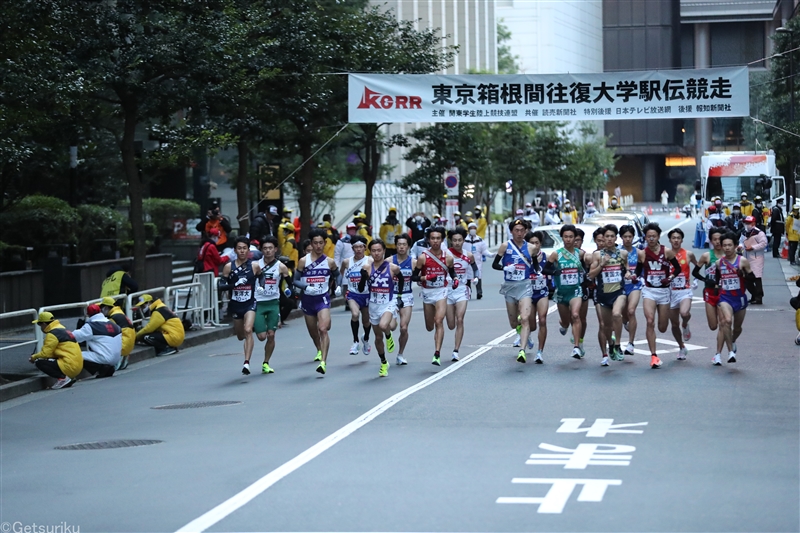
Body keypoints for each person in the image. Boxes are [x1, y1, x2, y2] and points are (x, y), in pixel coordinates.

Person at [634, 223, 682, 369]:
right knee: (649, 321)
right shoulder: (642, 253)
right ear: (645, 238)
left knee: (662, 327)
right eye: (648, 236)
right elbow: (638, 270)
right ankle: (653, 356)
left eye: (654, 236)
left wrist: (671, 277)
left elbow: (678, 268)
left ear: (659, 236)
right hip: (649, 291)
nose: (651, 238)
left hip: (664, 291)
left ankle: (658, 347)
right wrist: (633, 276)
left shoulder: (667, 252)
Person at [493, 219, 538, 363]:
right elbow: (495, 264)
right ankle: (520, 331)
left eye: (522, 230)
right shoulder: (505, 246)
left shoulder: (531, 248)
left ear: (526, 232)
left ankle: (522, 350)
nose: (519, 233)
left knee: (525, 318)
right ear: (511, 231)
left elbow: (535, 267)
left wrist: (539, 273)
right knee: (514, 322)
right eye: (516, 230)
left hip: (524, 286)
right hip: (510, 287)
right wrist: (505, 268)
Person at [294, 229, 339, 374]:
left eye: (321, 243)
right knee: (313, 331)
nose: (318, 246)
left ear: (325, 243)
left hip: (322, 299)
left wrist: (338, 287)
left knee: (323, 329)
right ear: (311, 244)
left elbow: (338, 275)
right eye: (315, 243)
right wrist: (306, 286)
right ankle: (319, 349)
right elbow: (294, 281)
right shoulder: (303, 261)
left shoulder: (330, 262)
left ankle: (323, 362)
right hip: (307, 300)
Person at [358, 239, 404, 377]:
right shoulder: (366, 267)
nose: (376, 253)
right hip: (374, 304)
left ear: (384, 251)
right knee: (378, 338)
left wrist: (399, 296)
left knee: (384, 326)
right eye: (374, 251)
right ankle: (384, 362)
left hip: (388, 302)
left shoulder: (392, 267)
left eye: (379, 250)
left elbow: (401, 279)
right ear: (370, 252)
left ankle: (389, 336)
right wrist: (363, 278)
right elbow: (361, 289)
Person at [412, 226, 456, 366]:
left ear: (442, 240)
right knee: (430, 326)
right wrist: (425, 277)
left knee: (439, 321)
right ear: (429, 240)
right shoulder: (423, 257)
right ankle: (436, 347)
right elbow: (414, 277)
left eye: (438, 238)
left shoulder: (448, 258)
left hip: (441, 291)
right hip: (427, 293)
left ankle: (437, 353)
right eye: (433, 238)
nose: (435, 241)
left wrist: (455, 280)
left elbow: (452, 273)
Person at [221, 237, 262, 375]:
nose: (242, 251)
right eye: (239, 248)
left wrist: (261, 286)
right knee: (240, 335)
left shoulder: (254, 266)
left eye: (245, 248)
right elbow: (221, 286)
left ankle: (246, 363)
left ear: (248, 250)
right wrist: (235, 285)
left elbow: (261, 276)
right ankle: (246, 344)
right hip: (236, 304)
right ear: (235, 250)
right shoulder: (229, 267)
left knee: (248, 329)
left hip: (250, 303)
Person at [588, 225, 628, 366]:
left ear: (616, 238)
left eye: (612, 236)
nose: (610, 239)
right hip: (603, 294)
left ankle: (617, 344)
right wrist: (601, 265)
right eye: (607, 236)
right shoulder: (597, 255)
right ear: (603, 239)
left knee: (617, 315)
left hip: (619, 291)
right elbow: (591, 275)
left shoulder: (623, 254)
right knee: (605, 325)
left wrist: (628, 273)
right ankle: (610, 345)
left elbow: (627, 269)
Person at [713, 232, 754, 365]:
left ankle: (733, 340)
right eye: (724, 245)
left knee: (737, 328)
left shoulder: (742, 261)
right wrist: (715, 287)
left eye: (730, 245)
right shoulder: (719, 263)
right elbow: (717, 278)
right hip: (725, 298)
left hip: (740, 298)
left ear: (735, 246)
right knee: (726, 321)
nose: (727, 248)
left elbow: (752, 279)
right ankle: (729, 352)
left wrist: (742, 274)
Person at [544, 224, 585, 359]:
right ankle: (564, 324)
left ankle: (576, 347)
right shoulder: (556, 254)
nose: (568, 239)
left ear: (575, 238)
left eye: (571, 237)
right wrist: (555, 271)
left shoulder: (580, 254)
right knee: (566, 321)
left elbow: (586, 270)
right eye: (566, 237)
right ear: (562, 238)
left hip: (575, 291)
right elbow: (545, 270)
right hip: (562, 292)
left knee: (575, 315)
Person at [252, 237, 291, 374]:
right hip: (258, 303)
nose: (268, 251)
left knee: (271, 335)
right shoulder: (255, 265)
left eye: (270, 248)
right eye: (265, 248)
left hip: (274, 302)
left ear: (275, 249)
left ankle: (266, 362)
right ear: (261, 250)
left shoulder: (281, 266)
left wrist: (289, 290)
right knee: (262, 336)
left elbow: (289, 283)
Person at [446, 227, 479, 362]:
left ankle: (456, 350)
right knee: (451, 324)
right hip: (447, 290)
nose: (457, 243)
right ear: (451, 241)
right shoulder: (445, 254)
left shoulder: (468, 255)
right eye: (454, 240)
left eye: (460, 240)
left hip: (461, 290)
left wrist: (476, 278)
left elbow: (475, 268)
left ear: (463, 240)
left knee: (460, 319)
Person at [30, 311, 83, 389]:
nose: (40, 327)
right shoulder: (63, 329)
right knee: (49, 359)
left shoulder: (52, 334)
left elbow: (45, 354)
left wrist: (33, 357)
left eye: (39, 324)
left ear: (44, 324)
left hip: (69, 366)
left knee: (40, 362)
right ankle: (68, 378)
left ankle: (62, 378)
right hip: (77, 366)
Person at [667, 228, 697, 361]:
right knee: (674, 324)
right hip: (669, 291)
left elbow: (698, 265)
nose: (676, 240)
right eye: (673, 238)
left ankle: (685, 324)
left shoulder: (688, 254)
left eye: (678, 238)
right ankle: (681, 347)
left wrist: (696, 279)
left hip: (685, 290)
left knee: (684, 313)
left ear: (682, 240)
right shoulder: (666, 254)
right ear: (670, 240)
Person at [341, 237, 372, 356]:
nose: (358, 250)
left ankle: (366, 339)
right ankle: (355, 341)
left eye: (361, 247)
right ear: (352, 248)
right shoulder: (347, 262)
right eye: (356, 247)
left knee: (366, 321)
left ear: (365, 248)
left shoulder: (370, 260)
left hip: (367, 294)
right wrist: (339, 285)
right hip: (353, 293)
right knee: (355, 314)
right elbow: (341, 273)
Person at [72, 304, 122, 378]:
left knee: (75, 356)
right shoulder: (113, 324)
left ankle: (101, 368)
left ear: (87, 314)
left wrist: (65, 333)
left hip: (105, 357)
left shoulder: (91, 326)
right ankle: (107, 368)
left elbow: (75, 337)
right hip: (117, 358)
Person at [693, 226, 726, 334]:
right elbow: (695, 272)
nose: (717, 242)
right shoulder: (706, 256)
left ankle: (725, 347)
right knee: (713, 326)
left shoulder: (728, 255)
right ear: (711, 241)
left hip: (724, 292)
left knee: (723, 322)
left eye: (719, 239)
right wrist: (705, 280)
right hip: (710, 291)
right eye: (714, 239)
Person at [526, 231, 550, 363]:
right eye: (532, 243)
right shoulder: (524, 257)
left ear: (540, 244)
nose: (534, 245)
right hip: (528, 294)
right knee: (532, 325)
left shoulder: (546, 257)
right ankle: (527, 333)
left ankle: (540, 352)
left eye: (537, 243)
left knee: (542, 320)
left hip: (542, 293)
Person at [620, 225, 643, 356]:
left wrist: (639, 277)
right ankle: (624, 321)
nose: (627, 239)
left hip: (635, 285)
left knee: (631, 310)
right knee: (623, 313)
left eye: (630, 237)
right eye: (625, 237)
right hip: (621, 285)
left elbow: (643, 268)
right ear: (621, 237)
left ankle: (631, 344)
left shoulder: (639, 252)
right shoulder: (617, 251)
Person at [392, 235, 414, 365]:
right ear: (395, 246)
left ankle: (400, 354)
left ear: (408, 246)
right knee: (391, 326)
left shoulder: (413, 262)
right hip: (392, 296)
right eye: (399, 244)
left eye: (404, 244)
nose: (401, 247)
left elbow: (418, 275)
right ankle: (389, 338)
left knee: (404, 328)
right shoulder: (389, 261)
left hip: (406, 295)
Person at [100, 296, 135, 371]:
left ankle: (116, 360)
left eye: (101, 307)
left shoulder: (112, 317)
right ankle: (123, 357)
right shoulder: (119, 312)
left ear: (106, 307)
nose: (101, 310)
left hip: (123, 346)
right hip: (129, 344)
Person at [739, 216, 767, 304]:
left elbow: (764, 243)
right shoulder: (744, 232)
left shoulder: (759, 233)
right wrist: (740, 247)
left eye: (748, 223)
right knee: (747, 279)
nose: (746, 225)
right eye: (745, 223)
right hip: (746, 257)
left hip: (756, 258)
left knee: (756, 278)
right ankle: (754, 295)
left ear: (753, 224)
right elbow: (741, 242)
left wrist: (753, 247)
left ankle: (759, 297)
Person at [465, 222, 488, 299]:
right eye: (471, 228)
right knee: (467, 278)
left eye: (474, 228)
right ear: (468, 230)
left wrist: (492, 255)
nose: (472, 230)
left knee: (478, 277)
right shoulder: (465, 240)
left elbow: (484, 251)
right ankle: (468, 292)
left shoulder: (480, 240)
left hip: (477, 262)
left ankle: (479, 292)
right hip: (467, 262)